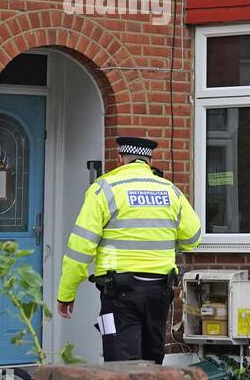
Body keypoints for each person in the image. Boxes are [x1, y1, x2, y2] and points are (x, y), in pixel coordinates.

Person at [56, 136, 202, 363]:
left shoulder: (104, 189)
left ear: (120, 158)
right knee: (152, 360)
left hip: (119, 294)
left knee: (121, 365)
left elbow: (80, 248)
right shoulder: (170, 191)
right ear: (149, 160)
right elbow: (193, 238)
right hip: (159, 292)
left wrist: (66, 293)